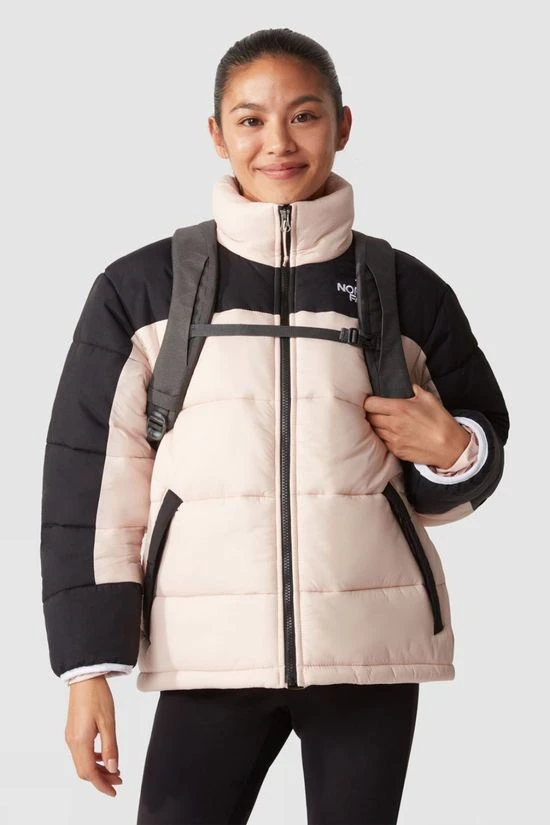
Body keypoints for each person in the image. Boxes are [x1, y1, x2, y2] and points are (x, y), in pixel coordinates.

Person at [40, 27, 510, 825]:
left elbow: (476, 446)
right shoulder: (142, 288)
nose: (279, 143)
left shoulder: (406, 288)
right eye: (251, 120)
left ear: (343, 124)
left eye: (304, 115)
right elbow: (89, 481)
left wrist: (455, 449)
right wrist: (87, 668)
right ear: (216, 133)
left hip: (369, 649)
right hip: (205, 653)